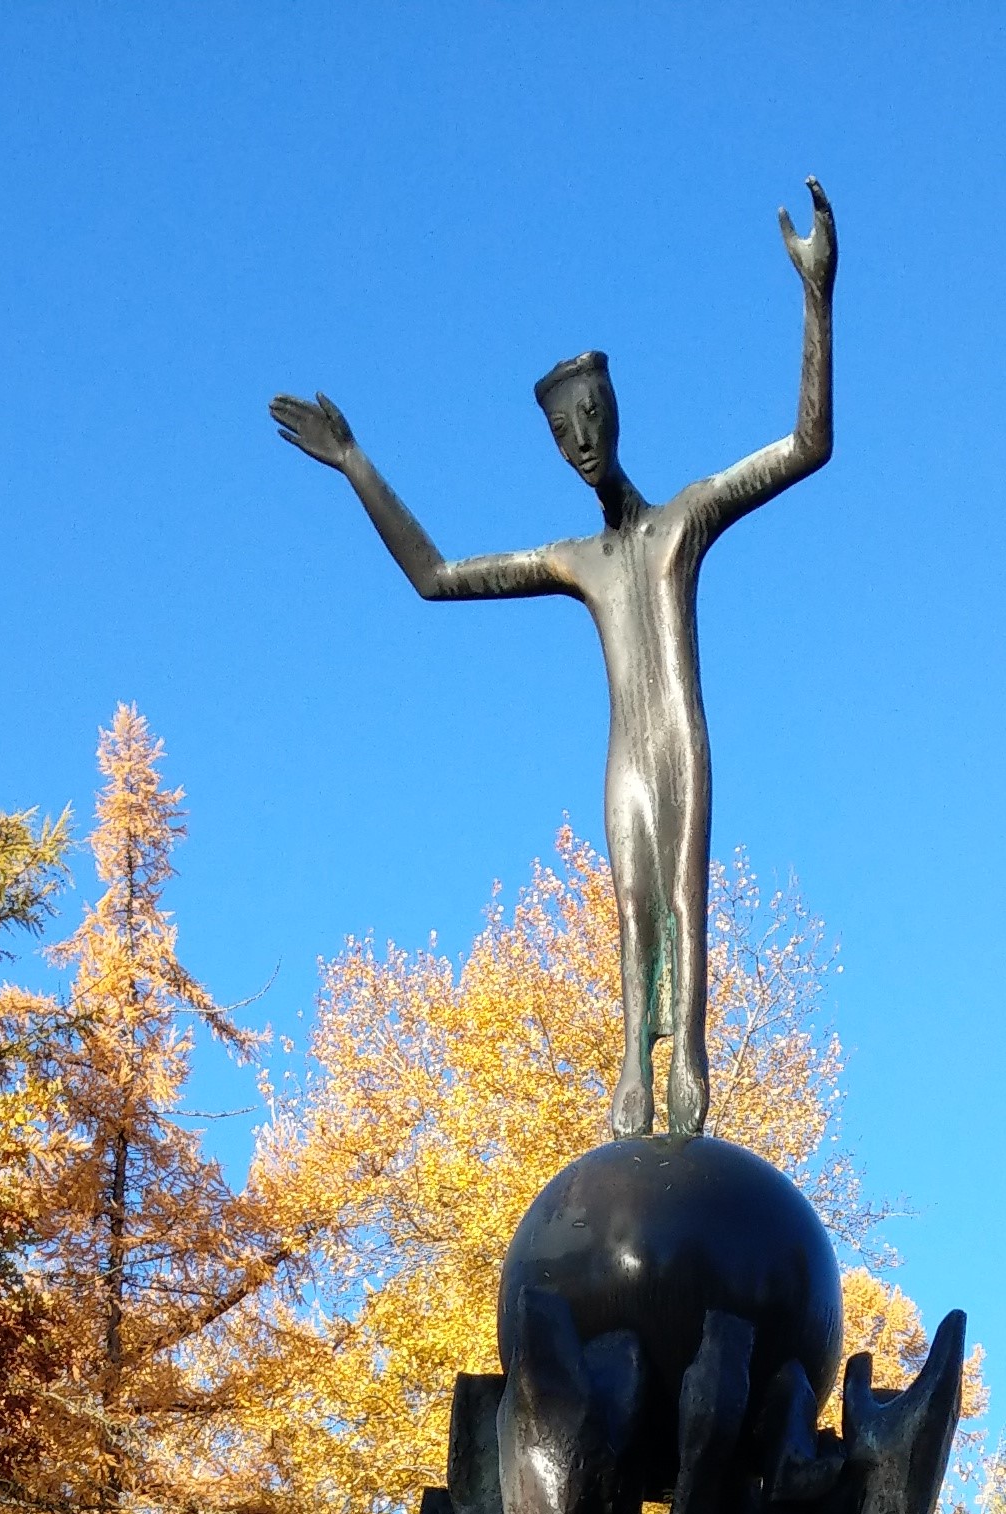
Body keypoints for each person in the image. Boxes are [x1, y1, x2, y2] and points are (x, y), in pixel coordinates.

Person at [271, 181, 837, 1141]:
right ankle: (628, 1083)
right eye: (558, 430)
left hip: (680, 749)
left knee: (686, 911)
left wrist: (815, 299)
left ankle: (688, 1080)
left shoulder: (683, 521)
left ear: (613, 414)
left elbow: (807, 444)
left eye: (587, 417)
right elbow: (436, 576)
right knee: (630, 922)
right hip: (624, 762)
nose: (577, 441)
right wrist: (357, 464)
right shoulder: (574, 563)